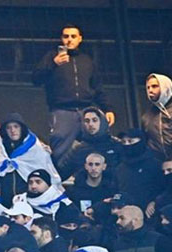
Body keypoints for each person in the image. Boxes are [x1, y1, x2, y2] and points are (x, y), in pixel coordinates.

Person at [33, 24, 114, 159]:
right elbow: (36, 79)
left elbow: (97, 87)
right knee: (60, 149)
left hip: (86, 110)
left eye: (73, 36)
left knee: (94, 148)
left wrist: (108, 109)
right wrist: (53, 63)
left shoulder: (87, 60)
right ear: (61, 39)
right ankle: (59, 178)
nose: (69, 40)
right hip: (62, 111)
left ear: (80, 39)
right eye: (66, 36)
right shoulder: (52, 57)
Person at [0, 113, 61, 207]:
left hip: (31, 203)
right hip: (4, 203)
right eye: (8, 128)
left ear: (22, 128)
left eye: (16, 126)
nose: (12, 130)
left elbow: (48, 175)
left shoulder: (36, 150)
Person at [57, 106, 119, 179]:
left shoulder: (116, 145)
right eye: (87, 121)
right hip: (84, 189)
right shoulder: (78, 150)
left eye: (94, 120)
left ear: (102, 122)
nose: (91, 124)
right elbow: (61, 173)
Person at [115, 128, 163, 211]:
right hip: (126, 215)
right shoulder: (119, 168)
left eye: (130, 141)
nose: (127, 145)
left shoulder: (155, 165)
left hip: (151, 213)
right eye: (123, 142)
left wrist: (155, 202)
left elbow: (163, 189)